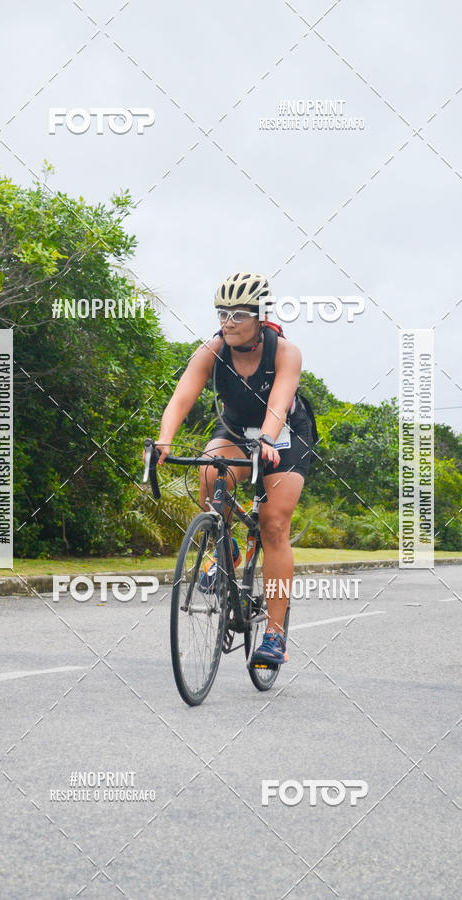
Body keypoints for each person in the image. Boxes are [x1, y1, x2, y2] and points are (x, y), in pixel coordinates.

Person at [151, 272, 316, 666]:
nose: (228, 322)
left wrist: (268, 440)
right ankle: (227, 547)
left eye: (239, 314)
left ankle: (274, 638)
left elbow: (279, 402)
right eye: (223, 313)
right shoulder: (211, 351)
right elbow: (180, 399)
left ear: (261, 317)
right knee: (211, 471)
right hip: (237, 429)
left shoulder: (285, 352)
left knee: (275, 524)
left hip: (286, 433)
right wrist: (164, 439)